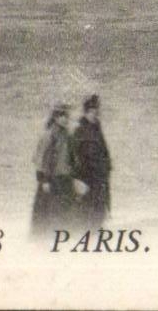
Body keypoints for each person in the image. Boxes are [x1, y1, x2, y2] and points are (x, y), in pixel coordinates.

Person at [31, 103, 75, 234]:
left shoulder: (67, 135)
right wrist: (44, 180)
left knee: (64, 214)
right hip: (51, 180)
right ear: (55, 117)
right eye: (62, 116)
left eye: (66, 116)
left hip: (65, 179)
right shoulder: (49, 135)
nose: (65, 119)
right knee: (47, 215)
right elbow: (39, 159)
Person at [71, 94, 112, 222]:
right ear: (86, 112)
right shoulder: (80, 131)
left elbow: (103, 150)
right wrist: (76, 178)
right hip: (87, 176)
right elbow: (73, 155)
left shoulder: (96, 128)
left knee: (98, 211)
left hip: (99, 175)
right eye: (92, 111)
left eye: (96, 111)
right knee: (87, 211)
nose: (95, 114)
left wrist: (107, 166)